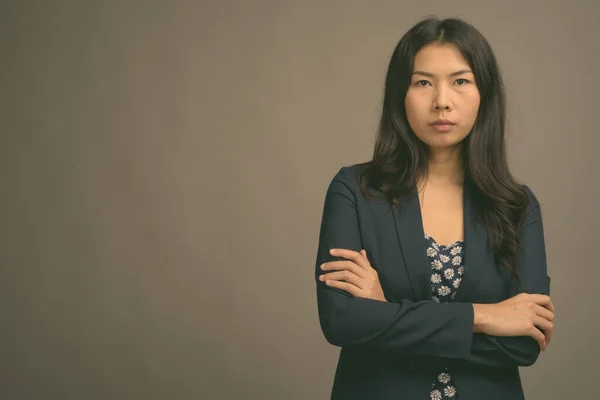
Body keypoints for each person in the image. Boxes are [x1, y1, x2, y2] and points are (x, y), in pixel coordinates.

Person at [314, 16, 555, 400]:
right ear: (400, 94)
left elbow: (524, 344)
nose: (442, 101)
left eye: (460, 81)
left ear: (484, 94)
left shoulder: (517, 206)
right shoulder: (355, 190)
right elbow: (342, 321)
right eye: (423, 82)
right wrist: (485, 317)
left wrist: (387, 312)